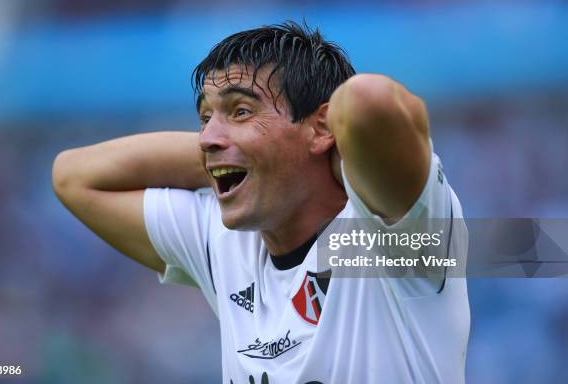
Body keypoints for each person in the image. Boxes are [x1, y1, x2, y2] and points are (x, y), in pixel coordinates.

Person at [52, 21, 470, 383]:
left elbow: (368, 101)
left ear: (323, 126)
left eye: (239, 111)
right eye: (205, 118)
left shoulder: (392, 239)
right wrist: (241, 156)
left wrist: (266, 157)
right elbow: (74, 176)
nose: (206, 137)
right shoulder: (226, 238)